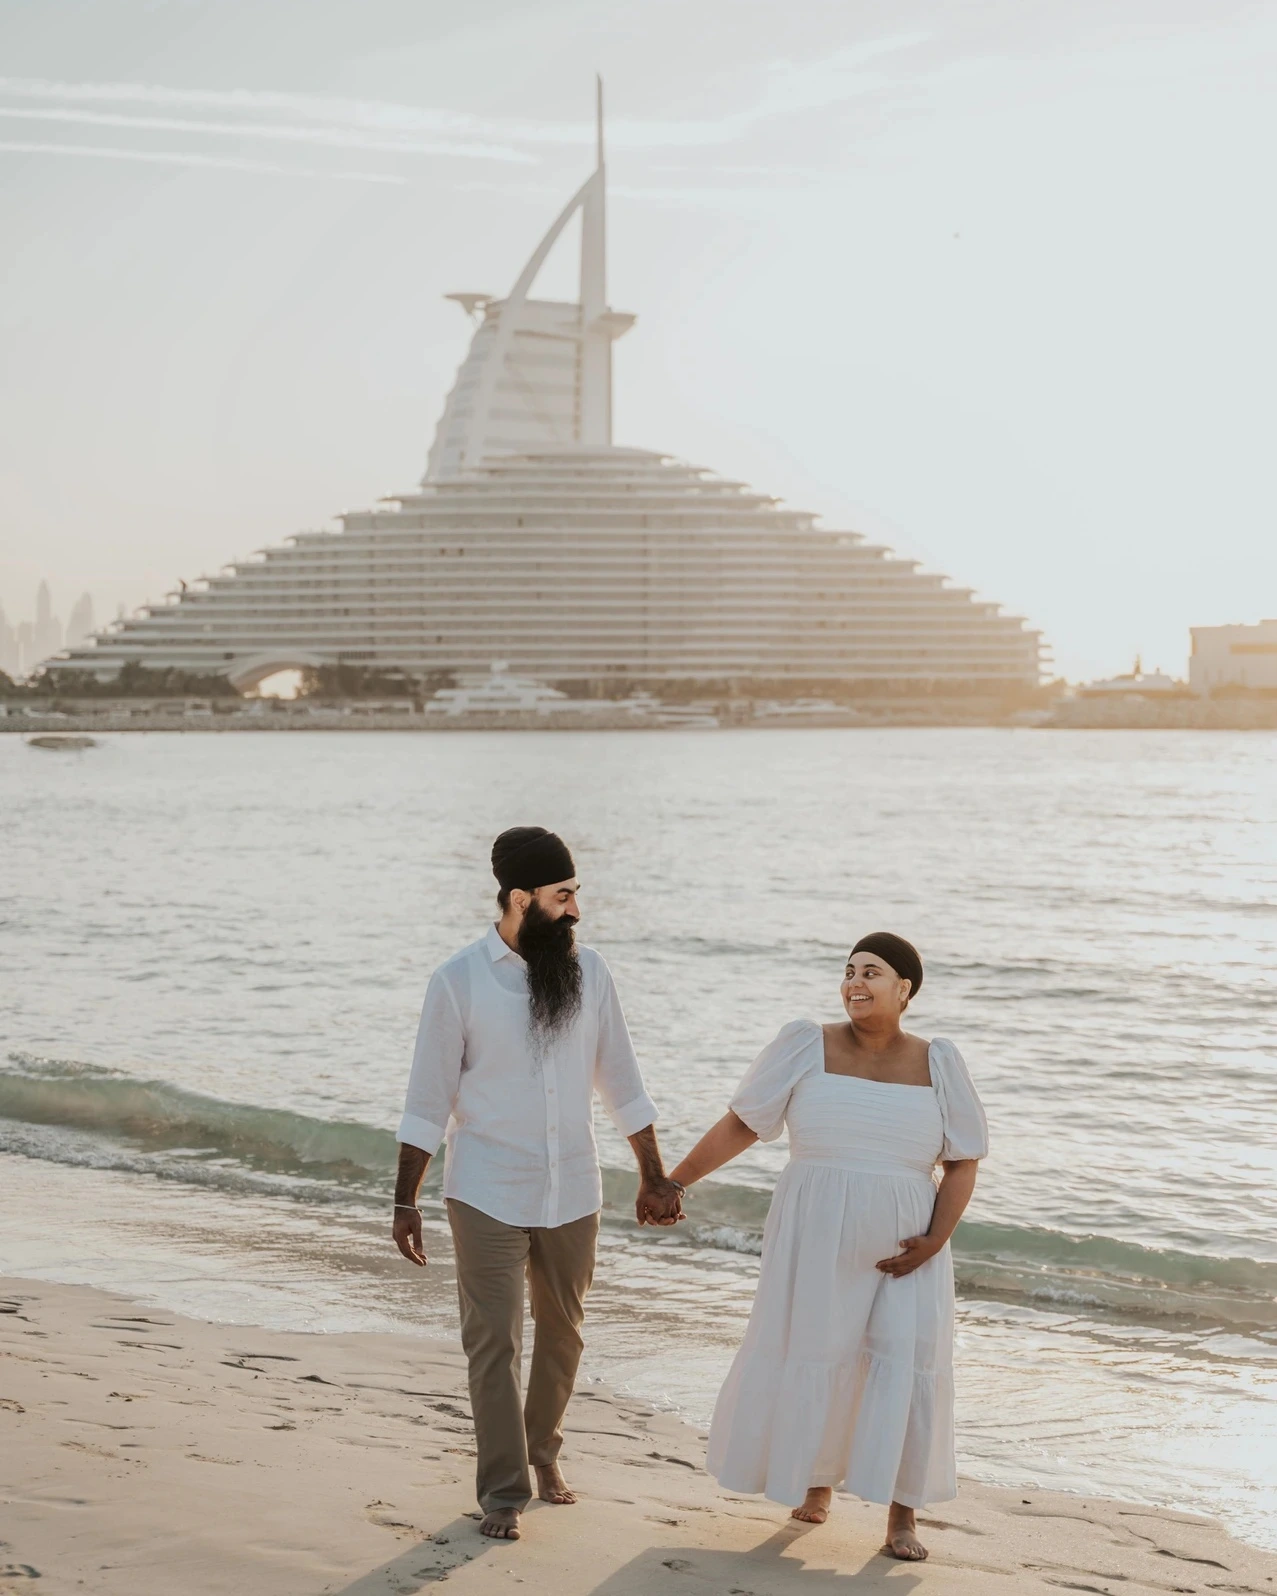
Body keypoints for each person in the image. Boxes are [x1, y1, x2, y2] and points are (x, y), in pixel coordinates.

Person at [392, 826, 684, 1543]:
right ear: (520, 898)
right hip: (485, 1186)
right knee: (493, 1342)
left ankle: (542, 1451)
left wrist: (654, 1177)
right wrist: (405, 1199)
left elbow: (622, 1081)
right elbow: (426, 1100)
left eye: (575, 893)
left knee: (563, 1337)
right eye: (563, 896)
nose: (576, 910)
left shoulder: (592, 974)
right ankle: (502, 1491)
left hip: (571, 1188)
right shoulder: (457, 980)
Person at [669, 932, 987, 1562]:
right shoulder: (803, 1044)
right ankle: (816, 1484)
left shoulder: (939, 1061)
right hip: (813, 1236)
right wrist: (674, 1180)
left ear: (906, 989)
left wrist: (934, 1242)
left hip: (907, 1248)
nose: (854, 983)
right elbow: (743, 1123)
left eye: (872, 972)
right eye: (847, 972)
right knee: (820, 1349)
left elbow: (963, 1162)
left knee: (903, 1360)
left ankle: (902, 1515)